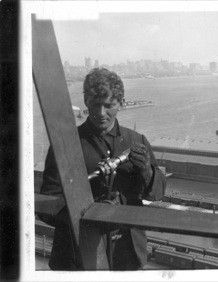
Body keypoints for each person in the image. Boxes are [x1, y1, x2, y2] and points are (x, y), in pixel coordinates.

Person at [40, 68, 167, 270]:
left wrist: (147, 171)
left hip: (127, 254)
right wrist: (92, 216)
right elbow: (48, 204)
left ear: (121, 103)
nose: (101, 113)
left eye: (109, 105)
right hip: (77, 254)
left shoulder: (137, 140)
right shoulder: (65, 145)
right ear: (86, 102)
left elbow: (158, 193)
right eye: (94, 104)